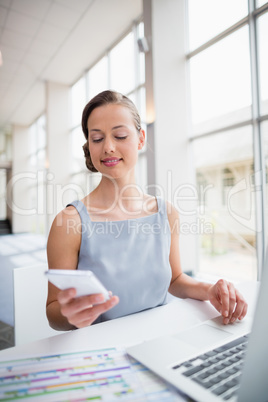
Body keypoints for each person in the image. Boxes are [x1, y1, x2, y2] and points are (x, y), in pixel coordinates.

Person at [46, 90, 248, 331]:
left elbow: (175, 280)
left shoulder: (166, 213)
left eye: (120, 135)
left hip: (162, 334)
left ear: (141, 138)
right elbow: (53, 311)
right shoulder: (70, 222)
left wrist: (209, 289)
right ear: (89, 146)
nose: (108, 147)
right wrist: (69, 315)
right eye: (97, 139)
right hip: (103, 346)